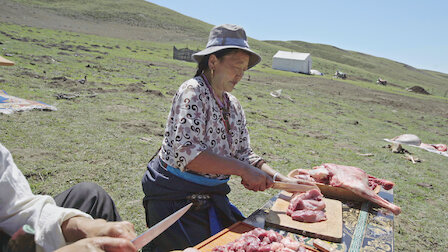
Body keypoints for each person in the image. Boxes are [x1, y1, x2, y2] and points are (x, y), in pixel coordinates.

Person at [141, 24, 309, 251]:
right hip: (176, 200)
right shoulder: (194, 91)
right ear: (213, 62)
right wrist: (243, 170)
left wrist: (281, 179)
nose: (240, 74)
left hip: (211, 196)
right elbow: (188, 153)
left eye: (244, 69)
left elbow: (244, 153)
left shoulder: (233, 105)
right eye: (236, 66)